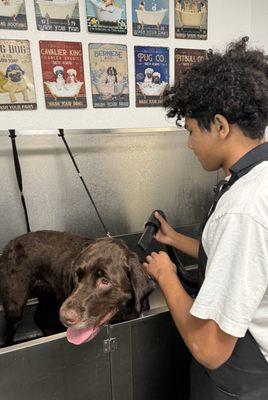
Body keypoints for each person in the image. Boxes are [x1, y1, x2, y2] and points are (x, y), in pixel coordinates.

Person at [143, 37, 268, 399]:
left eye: (191, 131)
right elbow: (250, 262)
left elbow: (209, 349)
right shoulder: (255, 180)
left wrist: (167, 276)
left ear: (220, 125)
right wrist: (176, 241)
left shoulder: (244, 207)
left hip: (246, 380)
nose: (189, 144)